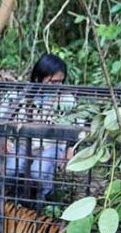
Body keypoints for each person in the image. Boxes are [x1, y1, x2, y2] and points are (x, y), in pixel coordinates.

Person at [5, 53, 73, 203]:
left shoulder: (66, 99)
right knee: (10, 170)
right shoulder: (19, 94)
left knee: (39, 171)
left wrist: (70, 148)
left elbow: (76, 125)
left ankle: (46, 200)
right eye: (53, 81)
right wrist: (2, 140)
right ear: (39, 77)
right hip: (23, 142)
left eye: (60, 82)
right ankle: (18, 197)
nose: (58, 86)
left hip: (52, 145)